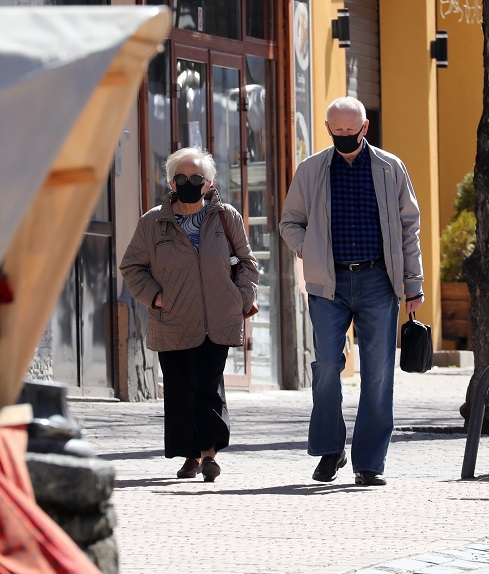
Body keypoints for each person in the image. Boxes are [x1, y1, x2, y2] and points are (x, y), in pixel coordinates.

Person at [280, 96, 425, 486]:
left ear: (365, 127)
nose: (345, 137)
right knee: (327, 365)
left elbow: (409, 226)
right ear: (328, 129)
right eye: (338, 131)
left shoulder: (390, 168)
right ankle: (331, 450)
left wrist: (414, 284)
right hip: (329, 283)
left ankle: (370, 462)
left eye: (352, 130)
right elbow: (289, 222)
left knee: (378, 373)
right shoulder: (311, 170)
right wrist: (307, 249)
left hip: (379, 280)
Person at [120, 147, 258, 482]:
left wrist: (239, 298)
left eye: (196, 177)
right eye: (181, 177)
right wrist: (155, 298)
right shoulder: (153, 222)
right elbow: (132, 266)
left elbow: (248, 263)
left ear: (209, 183)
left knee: (206, 384)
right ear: (170, 181)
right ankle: (190, 455)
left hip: (217, 319)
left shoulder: (226, 217)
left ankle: (209, 453)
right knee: (181, 389)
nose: (188, 182)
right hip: (173, 320)